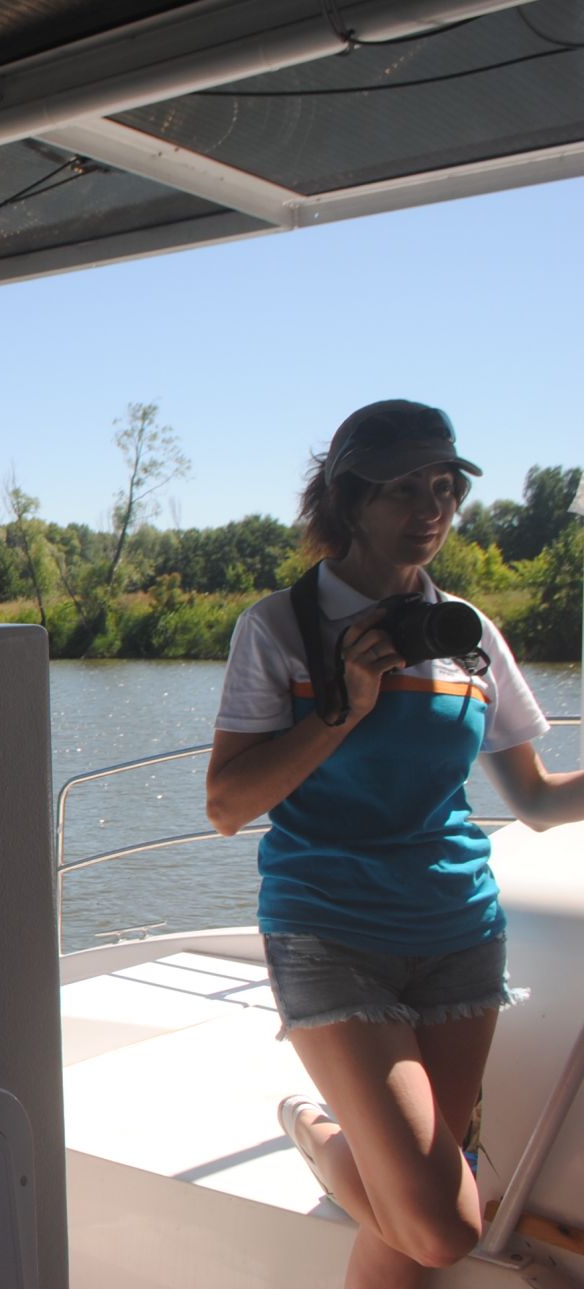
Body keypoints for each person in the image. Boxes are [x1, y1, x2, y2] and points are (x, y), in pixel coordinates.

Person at [204, 399, 584, 1288]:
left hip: (459, 932)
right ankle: (317, 1128)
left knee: (412, 1225)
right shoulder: (282, 628)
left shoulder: (469, 632)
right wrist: (346, 705)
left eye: (444, 487)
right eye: (405, 487)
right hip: (330, 930)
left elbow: (532, 796)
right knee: (444, 1223)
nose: (432, 507)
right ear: (348, 498)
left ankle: (351, 1153)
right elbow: (227, 804)